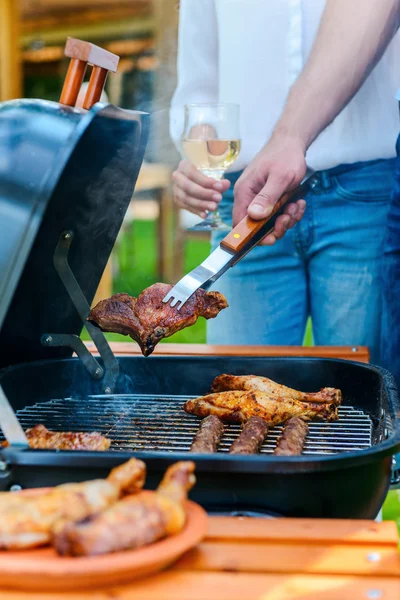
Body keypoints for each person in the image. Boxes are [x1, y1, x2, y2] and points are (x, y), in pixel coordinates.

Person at [170, 0, 400, 366]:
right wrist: (201, 156)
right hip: (246, 206)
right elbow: (201, 86)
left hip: (364, 196)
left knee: (361, 393)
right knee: (241, 392)